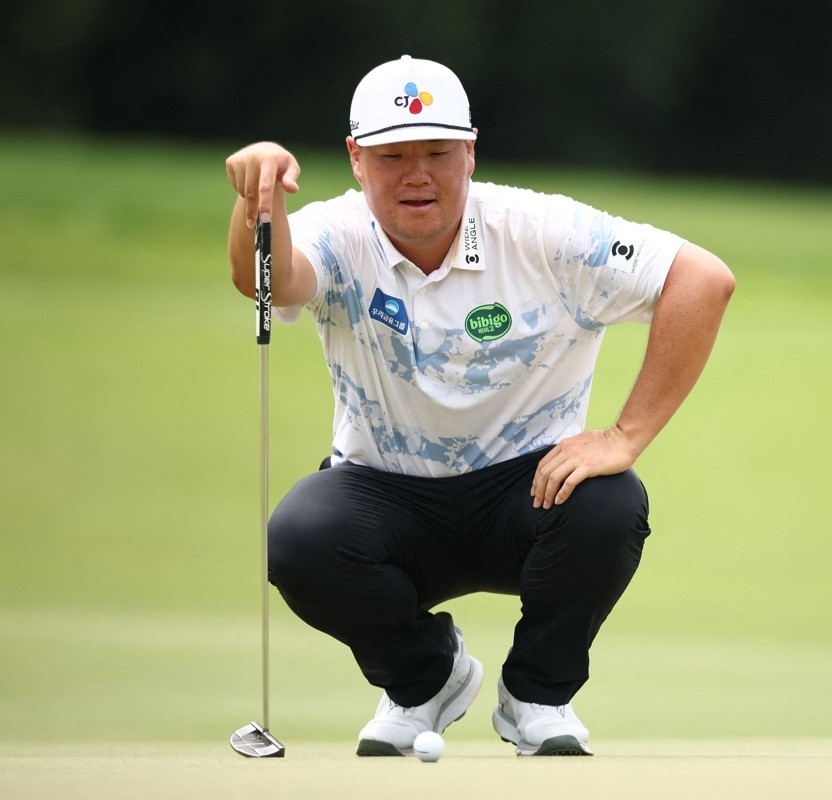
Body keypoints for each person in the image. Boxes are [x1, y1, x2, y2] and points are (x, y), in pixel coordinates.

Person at [223, 55, 734, 757]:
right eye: (392, 156)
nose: (417, 175)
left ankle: (538, 696)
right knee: (302, 536)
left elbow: (702, 279)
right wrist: (258, 201)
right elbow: (268, 281)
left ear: (470, 151)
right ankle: (425, 680)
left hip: (529, 493)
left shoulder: (539, 230)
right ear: (356, 159)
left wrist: (624, 435)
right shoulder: (336, 233)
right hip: (384, 497)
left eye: (437, 152)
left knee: (610, 502)